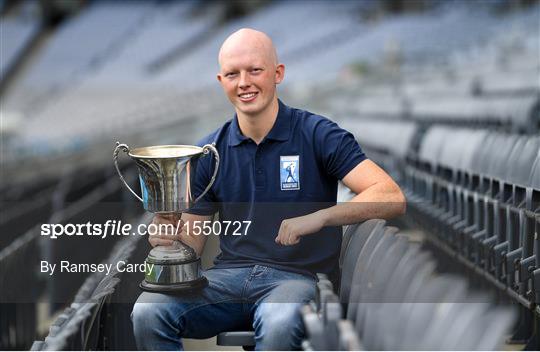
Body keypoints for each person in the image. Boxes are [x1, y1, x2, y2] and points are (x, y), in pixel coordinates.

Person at [132, 28, 406, 351]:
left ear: (278, 74)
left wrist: (321, 217)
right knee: (147, 312)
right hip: (228, 280)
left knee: (278, 323)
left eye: (255, 70)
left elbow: (390, 195)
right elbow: (192, 241)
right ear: (222, 82)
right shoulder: (208, 150)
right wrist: (169, 239)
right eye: (233, 74)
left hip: (297, 279)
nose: (244, 82)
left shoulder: (318, 133)